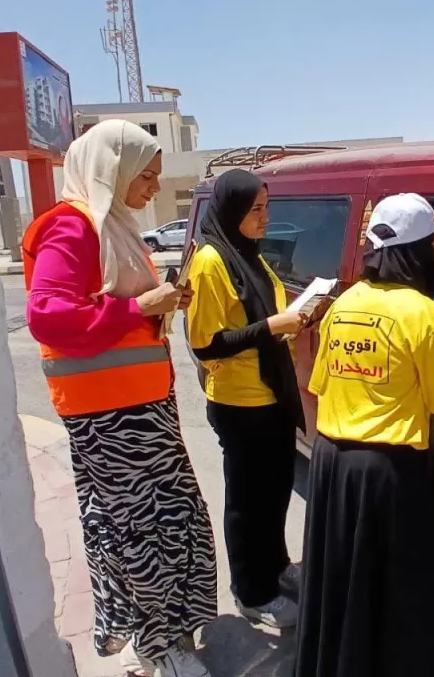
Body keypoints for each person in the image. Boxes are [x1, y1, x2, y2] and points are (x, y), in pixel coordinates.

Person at [22, 119, 216, 677]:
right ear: (115, 168)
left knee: (162, 524)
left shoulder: (114, 227)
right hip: (110, 418)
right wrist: (141, 308)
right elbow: (46, 316)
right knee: (143, 535)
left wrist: (155, 306)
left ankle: (153, 638)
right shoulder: (73, 227)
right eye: (147, 175)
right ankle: (161, 648)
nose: (154, 187)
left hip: (139, 409)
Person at [295, 193, 434, 677]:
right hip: (387, 472)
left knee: (343, 588)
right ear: (418, 251)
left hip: (332, 467)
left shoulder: (344, 301)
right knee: (399, 598)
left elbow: (321, 383)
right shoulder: (423, 313)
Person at [186, 169, 309, 629]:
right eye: (256, 209)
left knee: (275, 491)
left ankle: (275, 567)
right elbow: (207, 342)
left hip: (270, 393)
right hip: (240, 403)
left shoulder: (250, 256)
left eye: (266, 207)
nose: (264, 217)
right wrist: (272, 328)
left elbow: (264, 315)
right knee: (247, 502)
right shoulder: (212, 261)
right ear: (233, 209)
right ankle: (251, 592)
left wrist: (296, 317)